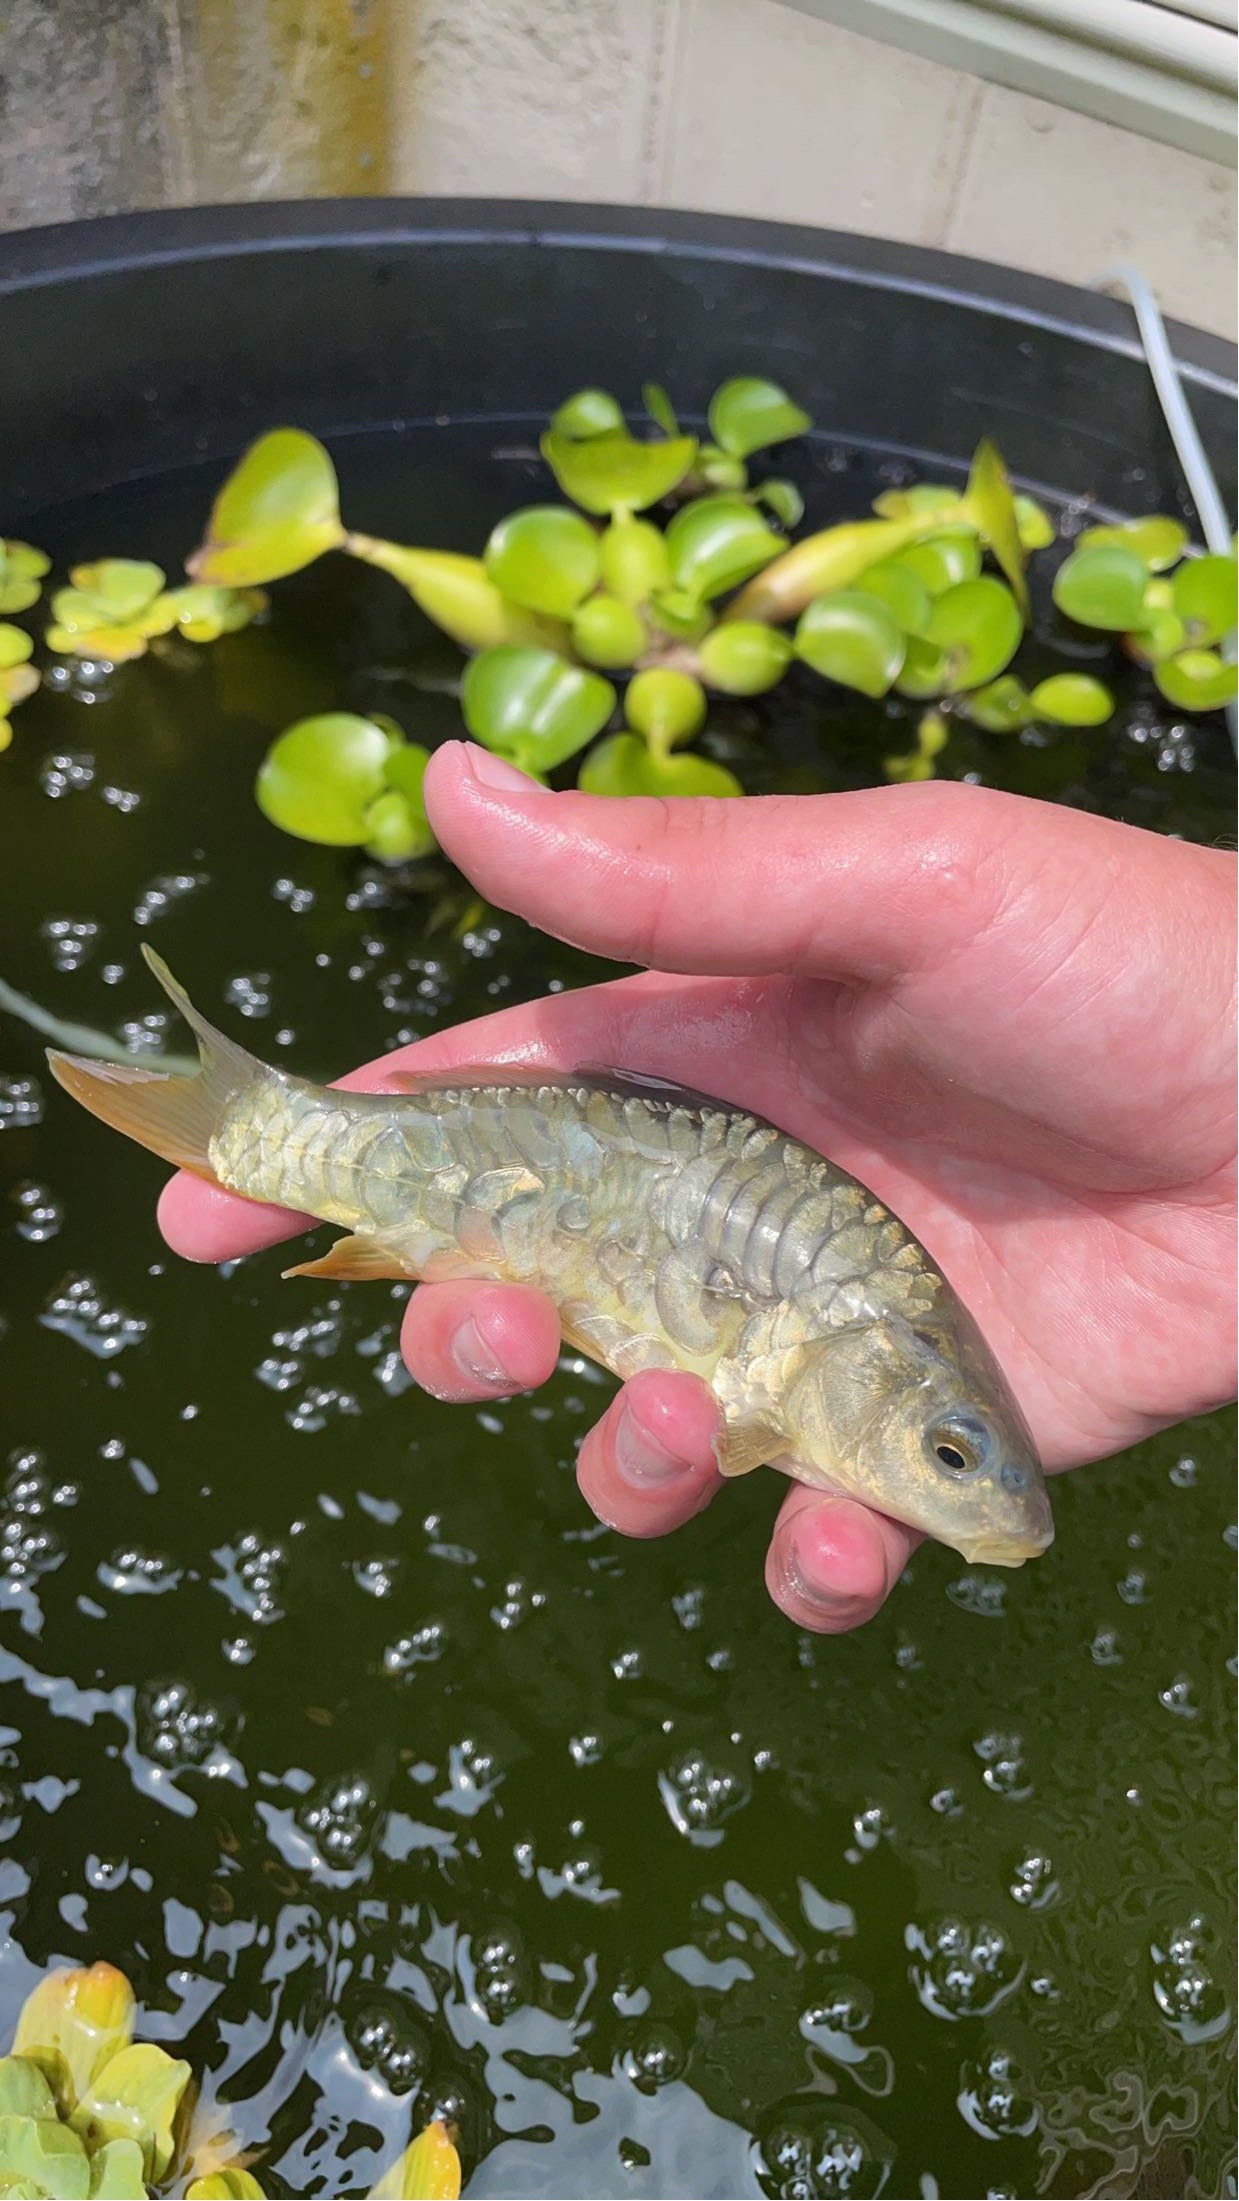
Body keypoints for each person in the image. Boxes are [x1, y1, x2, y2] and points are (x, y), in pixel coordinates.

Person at [159, 743, 1238, 1632]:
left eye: (950, 1453)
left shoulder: (866, 1327)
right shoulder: (865, 1314)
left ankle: (268, 1132)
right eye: (945, 1453)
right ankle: (269, 1133)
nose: (956, 1474)